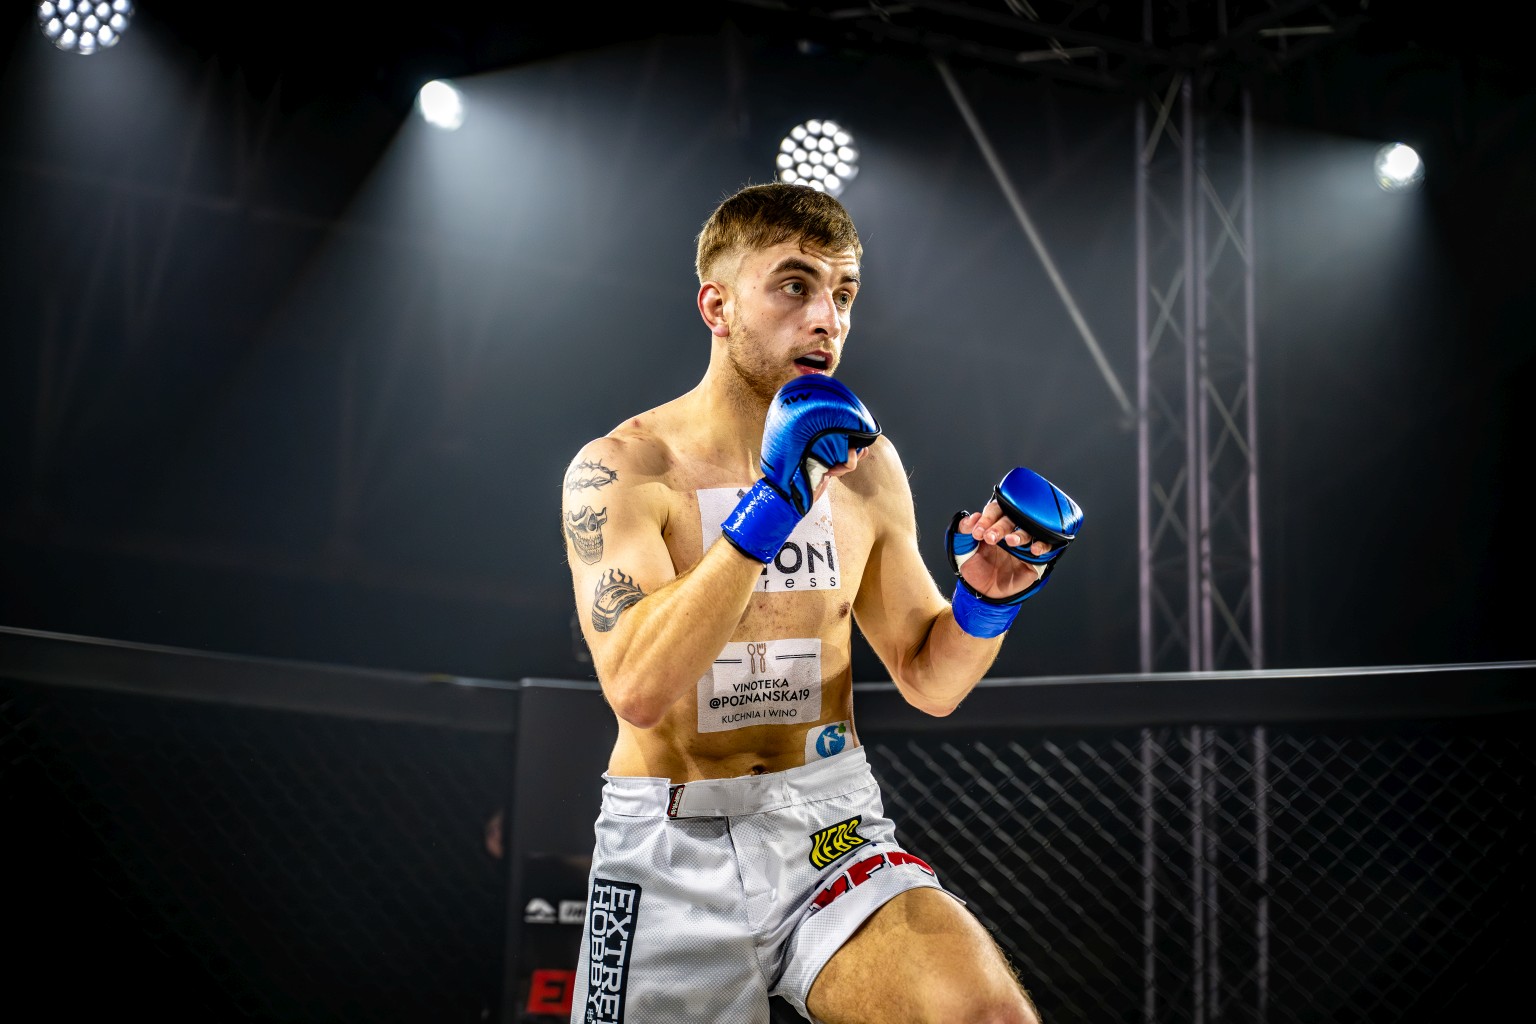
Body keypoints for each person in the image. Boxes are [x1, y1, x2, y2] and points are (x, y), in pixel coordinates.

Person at [559, 182, 1081, 1024]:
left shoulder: (868, 470)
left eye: (843, 294)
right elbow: (639, 688)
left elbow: (931, 681)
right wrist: (775, 503)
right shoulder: (624, 469)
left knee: (985, 1017)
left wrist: (985, 602)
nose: (826, 319)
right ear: (718, 306)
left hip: (827, 824)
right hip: (667, 844)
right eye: (795, 286)